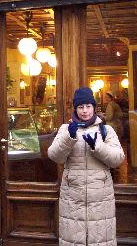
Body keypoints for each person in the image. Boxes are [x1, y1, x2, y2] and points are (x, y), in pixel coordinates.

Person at [48, 87, 125, 246]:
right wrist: (69, 138)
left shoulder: (106, 130)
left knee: (100, 239)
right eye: (81, 107)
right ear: (75, 109)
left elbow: (117, 159)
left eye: (88, 106)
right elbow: (55, 156)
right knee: (73, 239)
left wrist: (98, 147)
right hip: (72, 198)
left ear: (94, 108)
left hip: (101, 198)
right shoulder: (65, 129)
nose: (85, 111)